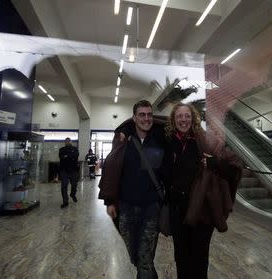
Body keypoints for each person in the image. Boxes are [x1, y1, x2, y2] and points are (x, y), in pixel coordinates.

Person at [163, 103, 242, 279]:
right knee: (181, 258)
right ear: (173, 120)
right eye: (179, 116)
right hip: (177, 211)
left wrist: (215, 163)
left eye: (187, 116)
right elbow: (142, 122)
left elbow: (234, 167)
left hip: (202, 212)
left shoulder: (204, 140)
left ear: (193, 118)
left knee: (199, 259)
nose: (183, 120)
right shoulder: (168, 140)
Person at [98, 100, 165, 279]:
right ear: (134, 118)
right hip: (126, 207)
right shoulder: (124, 141)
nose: (146, 118)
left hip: (151, 208)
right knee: (135, 255)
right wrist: (110, 201)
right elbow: (112, 170)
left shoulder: (160, 139)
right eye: (142, 115)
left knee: (144, 258)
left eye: (149, 114)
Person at [59, 137, 79, 208]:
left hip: (74, 170)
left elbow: (76, 156)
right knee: (64, 186)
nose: (67, 142)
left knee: (74, 185)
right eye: (66, 141)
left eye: (69, 141)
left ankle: (72, 195)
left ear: (71, 142)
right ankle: (65, 201)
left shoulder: (75, 149)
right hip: (64, 171)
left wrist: (66, 156)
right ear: (65, 142)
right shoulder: (61, 149)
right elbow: (61, 157)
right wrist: (70, 156)